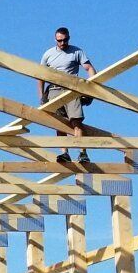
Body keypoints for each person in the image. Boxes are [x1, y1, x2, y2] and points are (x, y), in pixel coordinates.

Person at [40, 26, 97, 170]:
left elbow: (89, 68)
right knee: (59, 123)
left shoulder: (77, 52)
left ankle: (82, 152)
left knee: (76, 121)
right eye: (59, 41)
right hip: (54, 90)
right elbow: (40, 75)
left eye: (65, 40)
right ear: (55, 39)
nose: (62, 43)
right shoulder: (48, 54)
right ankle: (64, 153)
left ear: (69, 38)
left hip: (71, 89)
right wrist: (42, 97)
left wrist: (91, 88)